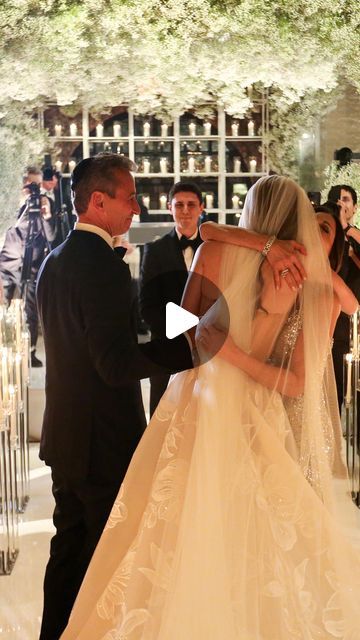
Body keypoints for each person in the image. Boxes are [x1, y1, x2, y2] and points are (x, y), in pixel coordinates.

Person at [61, 175, 360, 640]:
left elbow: (183, 326)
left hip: (196, 394)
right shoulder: (298, 274)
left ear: (252, 213)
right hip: (253, 408)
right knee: (247, 532)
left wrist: (210, 337)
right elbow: (298, 378)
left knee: (170, 524)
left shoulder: (212, 251)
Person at [36, 154, 194, 640]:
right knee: (105, 565)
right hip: (101, 446)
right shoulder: (102, 268)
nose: (136, 206)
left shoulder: (53, 261)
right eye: (128, 197)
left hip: (64, 439)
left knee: (68, 554)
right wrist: (191, 352)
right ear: (98, 201)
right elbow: (116, 364)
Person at [139, 182, 204, 416]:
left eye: (191, 205)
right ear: (170, 208)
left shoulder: (214, 249)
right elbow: (146, 306)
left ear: (201, 208)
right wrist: (182, 332)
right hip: (166, 349)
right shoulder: (154, 250)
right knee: (162, 418)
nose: (185, 210)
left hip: (207, 349)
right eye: (179, 205)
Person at [0, 167, 55, 367]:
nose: (34, 190)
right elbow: (8, 227)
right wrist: (21, 205)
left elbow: (50, 237)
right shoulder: (11, 204)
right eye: (30, 185)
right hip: (8, 263)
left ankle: (30, 352)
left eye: (37, 185)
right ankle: (5, 349)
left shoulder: (45, 204)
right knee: (4, 309)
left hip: (32, 265)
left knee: (31, 312)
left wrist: (47, 216)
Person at [327, 185, 360, 412]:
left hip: (355, 328)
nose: (340, 203)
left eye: (345, 199)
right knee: (333, 399)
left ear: (354, 208)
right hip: (330, 329)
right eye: (335, 200)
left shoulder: (356, 237)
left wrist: (347, 230)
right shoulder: (324, 239)